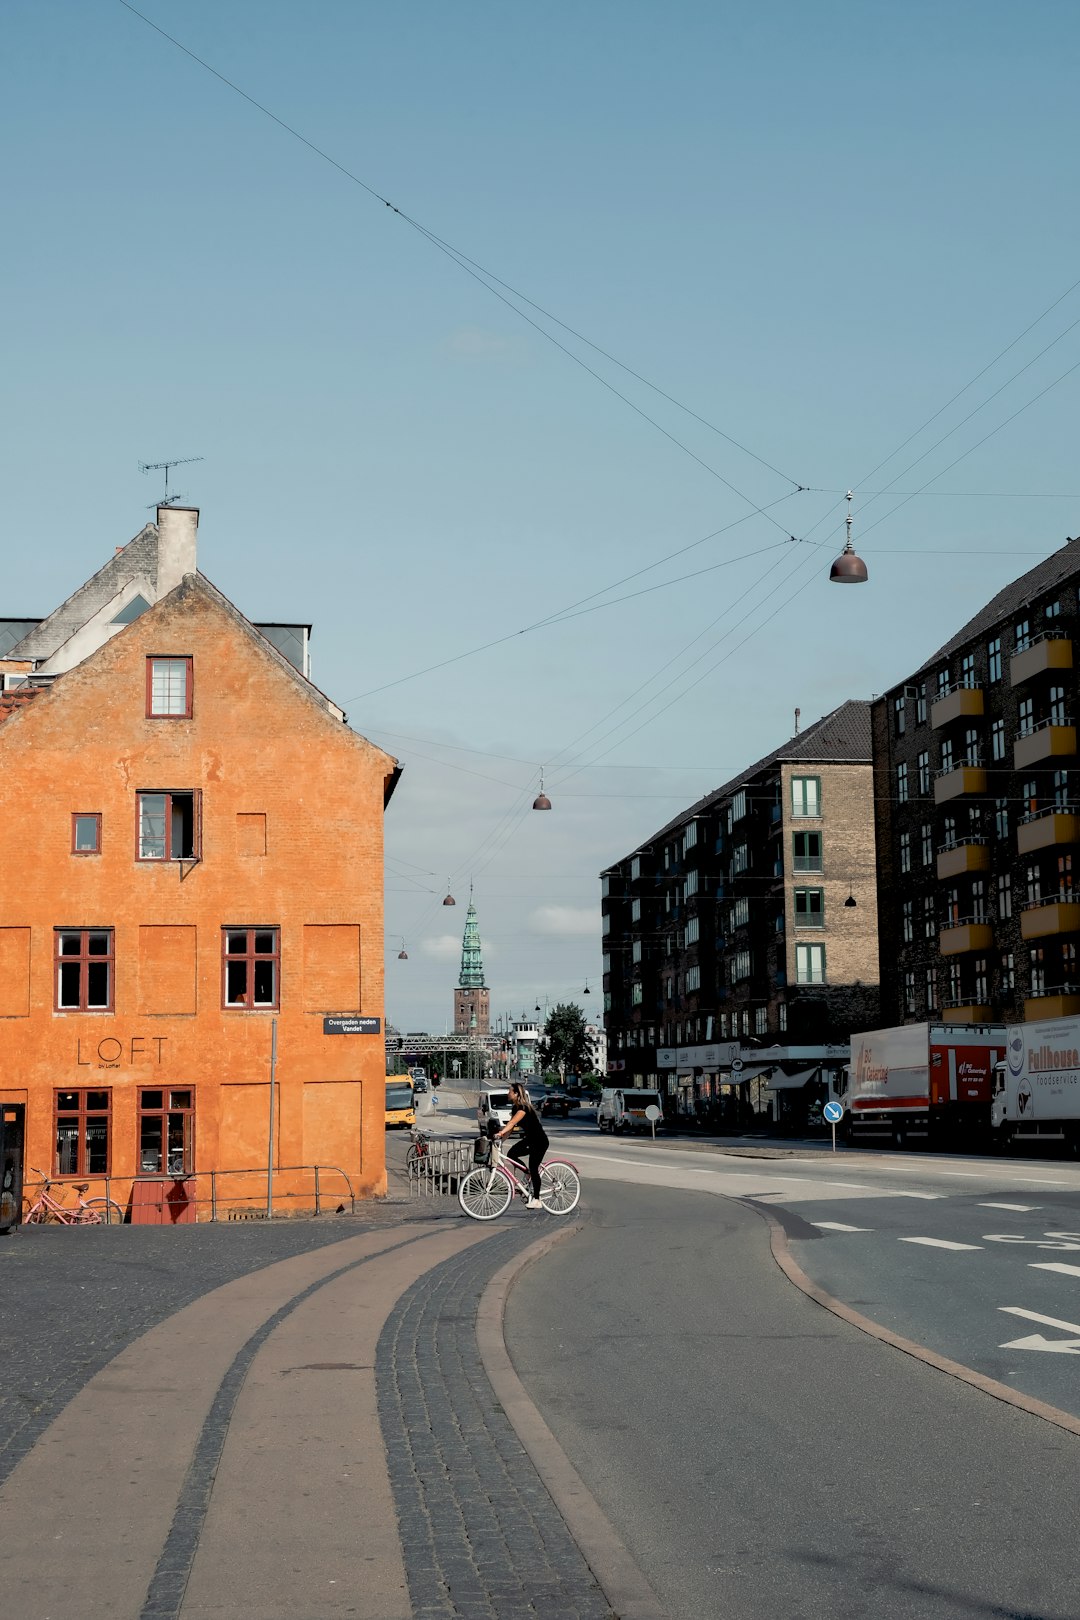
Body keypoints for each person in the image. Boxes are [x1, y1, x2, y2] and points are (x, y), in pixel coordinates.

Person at [495, 1082, 549, 1210]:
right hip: (530, 1140)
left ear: (516, 1094)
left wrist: (501, 1132)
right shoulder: (515, 1108)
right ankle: (527, 1173)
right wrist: (501, 1140)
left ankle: (537, 1200)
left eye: (510, 1091)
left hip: (539, 1141)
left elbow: (513, 1122)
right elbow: (511, 1128)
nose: (508, 1093)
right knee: (511, 1154)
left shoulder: (523, 1108)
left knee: (534, 1167)